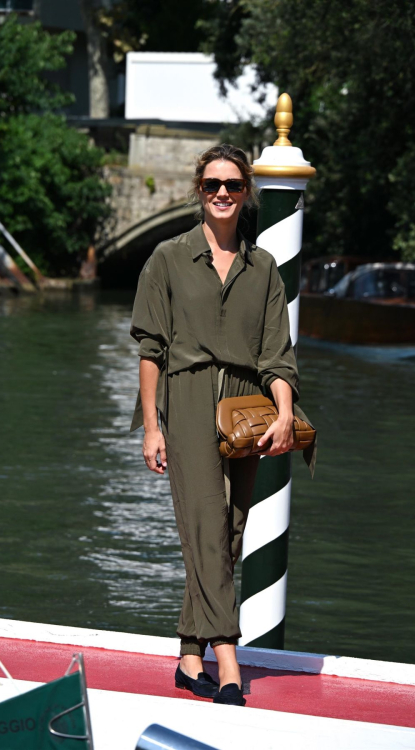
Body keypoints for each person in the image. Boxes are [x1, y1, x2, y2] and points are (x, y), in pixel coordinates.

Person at [129, 144, 312, 707]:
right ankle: (229, 662)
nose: (223, 194)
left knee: (227, 533)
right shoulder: (167, 257)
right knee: (206, 527)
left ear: (247, 191)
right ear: (198, 190)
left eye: (233, 184)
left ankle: (190, 656)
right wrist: (151, 426)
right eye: (212, 185)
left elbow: (278, 356)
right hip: (187, 398)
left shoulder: (264, 271)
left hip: (246, 408)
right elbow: (151, 348)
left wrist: (284, 413)